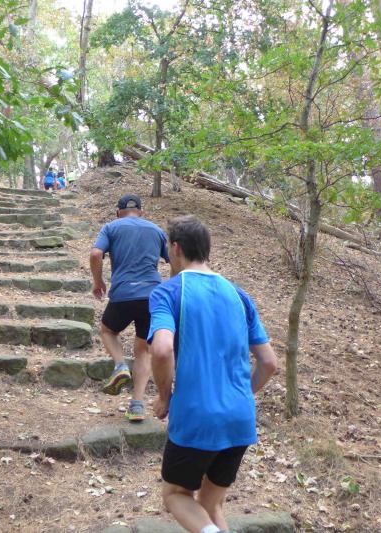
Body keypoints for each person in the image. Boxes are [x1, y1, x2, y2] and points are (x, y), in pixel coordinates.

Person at [148, 215, 277, 533]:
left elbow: (161, 349)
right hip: (240, 417)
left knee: (176, 495)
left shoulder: (168, 292)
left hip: (197, 416)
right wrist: (241, 394)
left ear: (175, 248)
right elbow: (269, 363)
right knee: (210, 504)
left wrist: (164, 397)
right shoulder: (239, 295)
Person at [89, 194, 169, 422]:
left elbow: (95, 253)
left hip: (123, 293)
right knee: (143, 350)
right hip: (152, 297)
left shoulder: (111, 227)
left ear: (118, 212)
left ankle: (120, 365)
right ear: (141, 212)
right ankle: (137, 405)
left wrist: (98, 282)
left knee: (107, 331)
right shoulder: (156, 230)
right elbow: (173, 259)